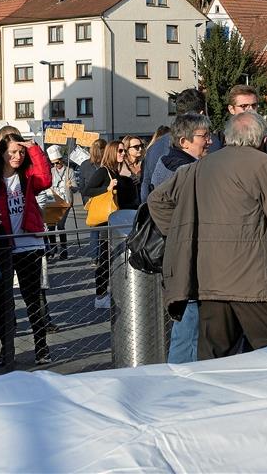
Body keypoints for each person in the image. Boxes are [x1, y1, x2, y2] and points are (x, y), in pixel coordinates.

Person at [148, 112, 267, 360]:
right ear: (263, 139)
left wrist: (182, 232)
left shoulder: (199, 166)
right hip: (254, 281)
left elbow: (157, 200)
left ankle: (213, 400)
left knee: (214, 360)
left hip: (210, 282)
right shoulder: (261, 163)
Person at [0, 135, 54, 365]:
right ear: (1, 152)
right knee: (2, 301)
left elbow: (46, 180)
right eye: (11, 152)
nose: (17, 157)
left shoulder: (28, 173)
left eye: (20, 152)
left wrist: (34, 149)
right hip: (3, 245)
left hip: (29, 243)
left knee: (34, 298)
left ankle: (41, 347)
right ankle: (6, 349)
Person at [149, 113, 213, 364]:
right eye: (203, 136)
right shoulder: (183, 169)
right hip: (186, 257)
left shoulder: (171, 162)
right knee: (189, 324)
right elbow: (159, 206)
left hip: (183, 254)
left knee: (191, 322)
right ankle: (181, 379)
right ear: (184, 141)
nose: (209, 141)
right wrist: (180, 236)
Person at [83, 139, 139, 309]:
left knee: (112, 257)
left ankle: (109, 293)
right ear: (112, 152)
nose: (123, 153)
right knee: (105, 258)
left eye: (124, 151)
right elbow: (87, 190)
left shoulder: (116, 172)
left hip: (117, 222)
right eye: (120, 151)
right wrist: (106, 188)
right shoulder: (103, 172)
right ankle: (100, 296)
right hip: (105, 222)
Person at [141, 89, 217, 203]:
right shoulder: (212, 145)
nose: (209, 141)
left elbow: (145, 189)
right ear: (202, 113)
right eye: (204, 136)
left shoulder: (154, 148)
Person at [224, 85, 267, 184]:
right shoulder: (218, 141)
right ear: (231, 109)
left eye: (254, 106)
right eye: (244, 106)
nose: (250, 110)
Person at [37, 145, 74, 260]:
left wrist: (71, 185)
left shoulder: (69, 171)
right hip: (53, 200)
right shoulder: (51, 171)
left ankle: (64, 251)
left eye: (57, 163)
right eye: (53, 163)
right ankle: (52, 249)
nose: (55, 165)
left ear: (61, 160)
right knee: (50, 226)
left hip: (65, 201)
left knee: (60, 225)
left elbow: (77, 187)